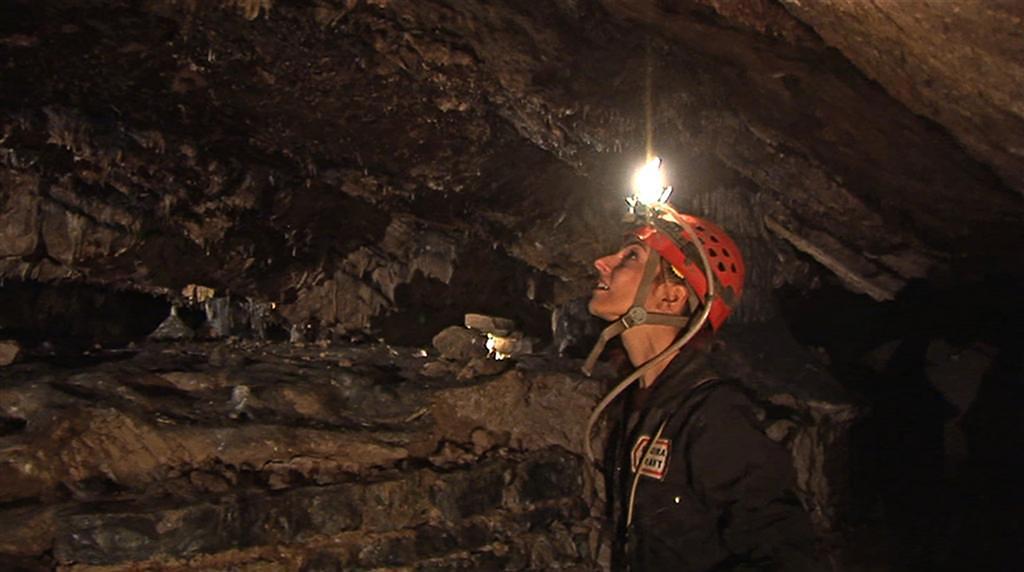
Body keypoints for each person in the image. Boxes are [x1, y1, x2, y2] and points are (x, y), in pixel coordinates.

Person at [583, 203, 818, 571]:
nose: (602, 262)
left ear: (671, 297)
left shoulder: (714, 415)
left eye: (630, 256)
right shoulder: (637, 403)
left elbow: (786, 553)